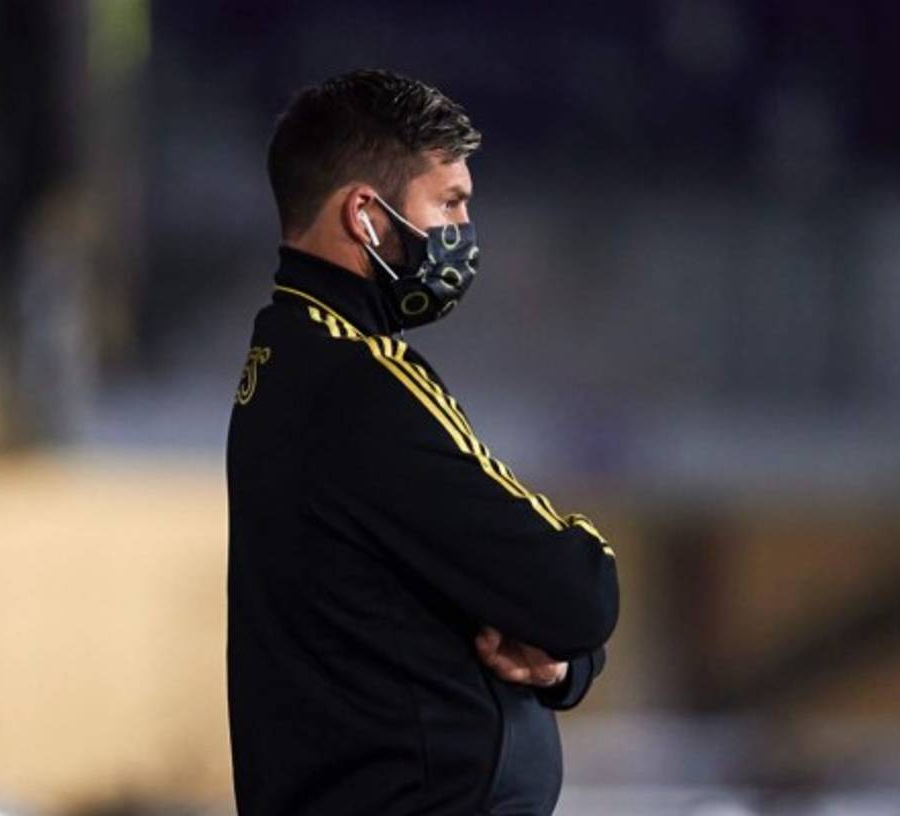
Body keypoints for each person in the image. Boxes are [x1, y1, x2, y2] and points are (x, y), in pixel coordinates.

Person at [225, 69, 620, 815]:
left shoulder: (287, 363)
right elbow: (578, 590)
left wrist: (558, 661)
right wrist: (567, 635)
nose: (462, 235)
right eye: (449, 204)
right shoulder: (361, 381)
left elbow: (535, 611)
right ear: (366, 217)